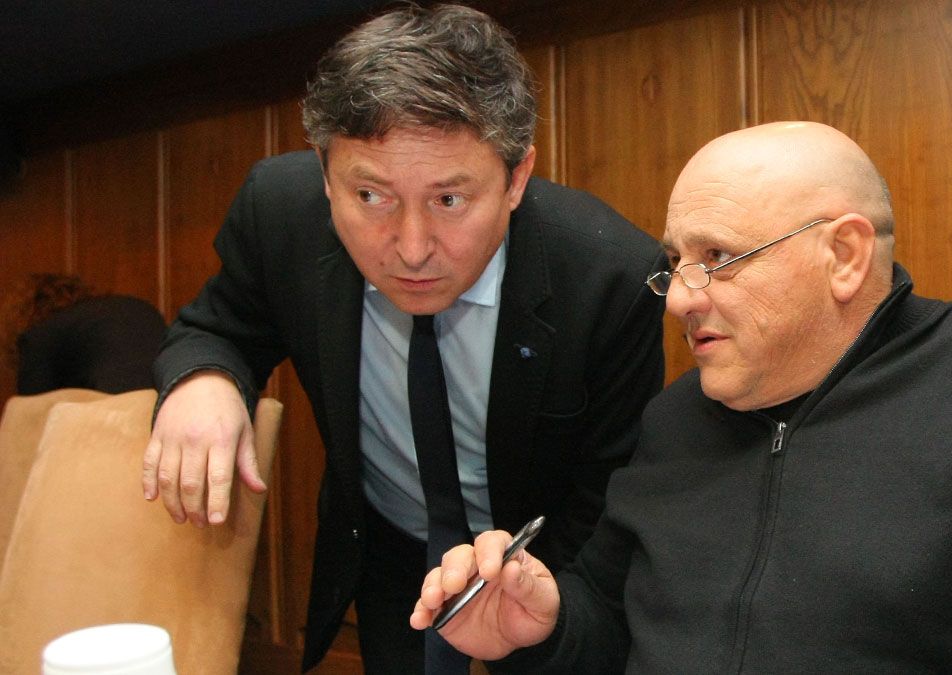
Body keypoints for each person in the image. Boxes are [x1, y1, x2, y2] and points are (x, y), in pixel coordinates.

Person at [412, 121, 952, 672]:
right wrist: (542, 625)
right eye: (675, 261)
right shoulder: (675, 420)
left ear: (846, 255)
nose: (681, 297)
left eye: (717, 256)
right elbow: (610, 628)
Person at [140, 4, 665, 673]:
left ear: (516, 178)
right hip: (388, 549)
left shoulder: (612, 280)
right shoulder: (280, 214)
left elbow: (606, 509)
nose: (411, 249)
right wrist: (204, 377)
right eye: (371, 197)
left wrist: (550, 616)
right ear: (326, 175)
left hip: (543, 565)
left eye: (449, 200)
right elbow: (217, 325)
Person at [1, 273, 165, 395]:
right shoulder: (127, 307)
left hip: (116, 417)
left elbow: (32, 418)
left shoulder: (39, 337)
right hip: (168, 406)